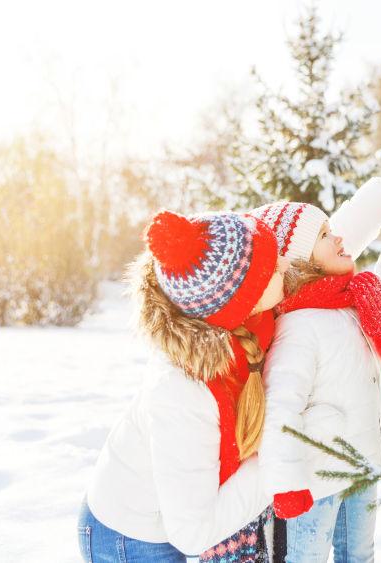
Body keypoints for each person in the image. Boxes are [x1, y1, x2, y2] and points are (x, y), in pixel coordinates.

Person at [78, 210, 311, 562]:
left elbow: (327, 246)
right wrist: (281, 463)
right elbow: (194, 532)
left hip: (170, 520)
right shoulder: (183, 391)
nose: (285, 263)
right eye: (273, 266)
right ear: (242, 298)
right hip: (131, 540)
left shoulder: (246, 326)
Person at [253, 178, 381, 562]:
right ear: (300, 259)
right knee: (308, 557)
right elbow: (280, 411)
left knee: (359, 554)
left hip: (363, 463)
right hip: (316, 480)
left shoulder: (354, 300)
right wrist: (286, 486)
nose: (338, 239)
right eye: (323, 235)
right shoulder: (298, 327)